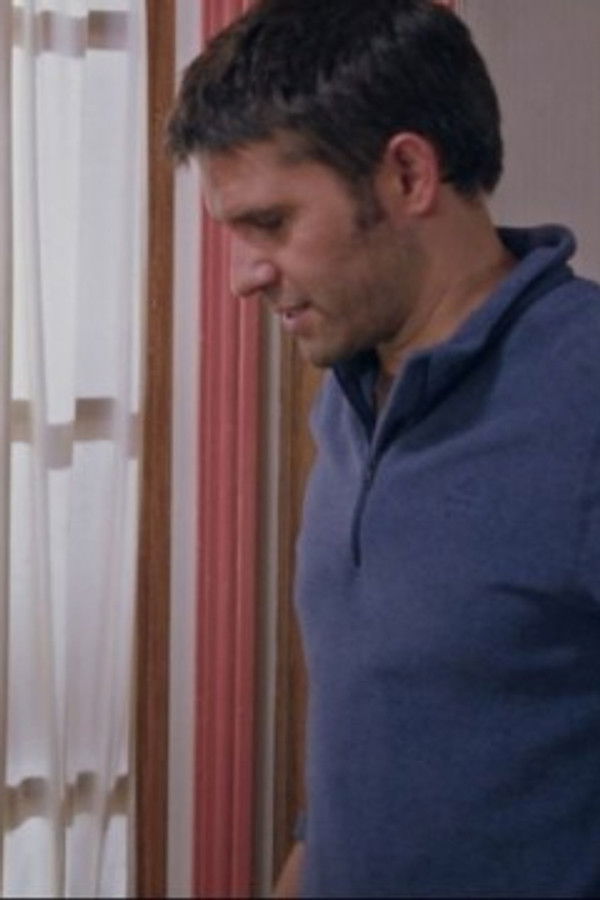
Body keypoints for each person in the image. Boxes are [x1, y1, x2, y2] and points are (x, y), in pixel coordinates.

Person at [167, 1, 600, 896]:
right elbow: (373, 754)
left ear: (407, 175)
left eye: (271, 223)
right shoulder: (348, 397)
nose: (245, 276)